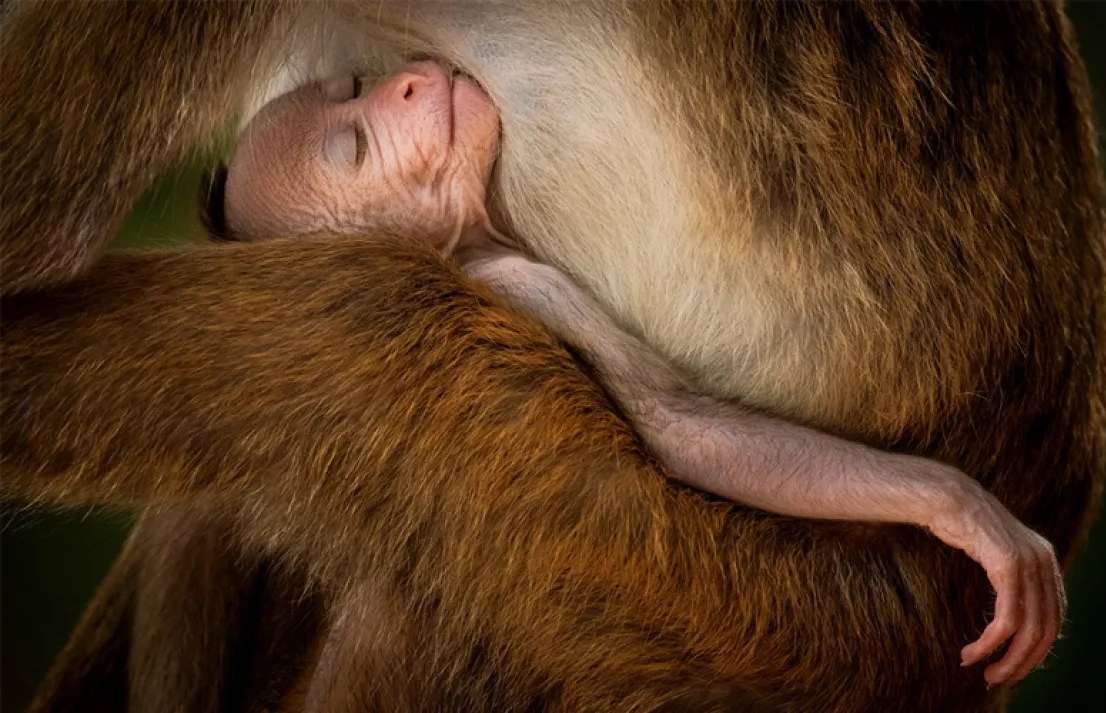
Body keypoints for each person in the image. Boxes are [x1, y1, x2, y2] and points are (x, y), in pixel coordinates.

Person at [201, 59, 1062, 671]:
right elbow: (686, 435)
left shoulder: (495, 257)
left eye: (355, 84)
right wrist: (944, 498)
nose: (402, 85)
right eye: (356, 146)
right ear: (376, 271)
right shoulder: (501, 292)